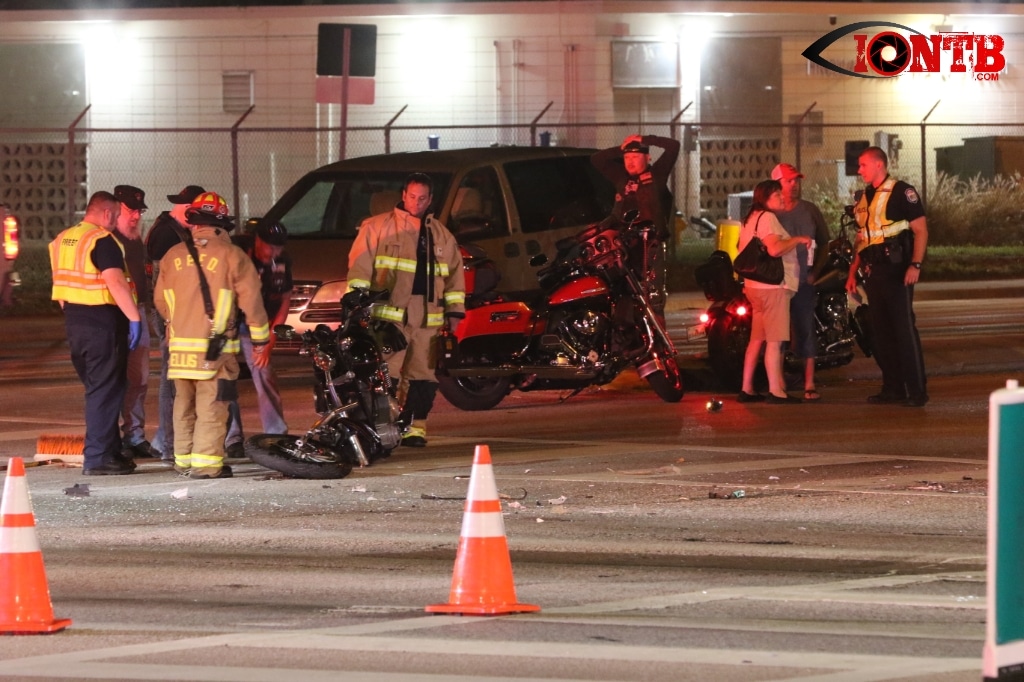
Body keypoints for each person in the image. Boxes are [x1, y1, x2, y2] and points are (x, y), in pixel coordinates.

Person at [154, 191, 270, 479]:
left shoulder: (173, 255)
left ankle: (183, 460)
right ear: (223, 224)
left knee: (183, 403)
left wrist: (177, 325)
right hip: (215, 352)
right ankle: (206, 465)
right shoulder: (232, 256)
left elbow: (160, 300)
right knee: (214, 406)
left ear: (194, 223)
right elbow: (252, 303)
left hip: (179, 349)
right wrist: (260, 341)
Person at [346, 172, 465, 447]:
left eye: (422, 198)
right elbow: (359, 268)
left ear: (430, 199)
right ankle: (382, 426)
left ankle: (415, 428)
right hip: (390, 317)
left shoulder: (442, 235)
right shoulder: (377, 227)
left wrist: (455, 312)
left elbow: (454, 277)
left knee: (423, 375)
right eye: (412, 196)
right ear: (403, 195)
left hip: (428, 319)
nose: (417, 202)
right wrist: (357, 305)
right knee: (388, 373)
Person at [49, 191, 143, 475]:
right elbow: (114, 280)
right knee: (104, 390)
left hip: (75, 321)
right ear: (105, 213)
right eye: (115, 216)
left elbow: (61, 284)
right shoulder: (102, 239)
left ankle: (110, 451)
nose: (115, 222)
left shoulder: (63, 239)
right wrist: (134, 318)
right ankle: (98, 458)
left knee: (100, 389)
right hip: (103, 321)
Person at [845, 146, 929, 407]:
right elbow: (863, 238)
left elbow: (921, 230)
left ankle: (916, 391)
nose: (859, 170)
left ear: (878, 165)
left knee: (903, 330)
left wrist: (915, 264)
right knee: (881, 333)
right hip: (874, 272)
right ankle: (893, 388)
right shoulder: (864, 197)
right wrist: (852, 274)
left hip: (898, 271)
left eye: (863, 165)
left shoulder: (902, 191)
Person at [736, 179, 813, 405]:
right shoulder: (768, 217)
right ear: (765, 198)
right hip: (773, 288)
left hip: (753, 287)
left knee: (757, 339)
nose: (782, 197)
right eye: (777, 195)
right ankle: (776, 391)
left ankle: (747, 388)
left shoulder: (749, 219)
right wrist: (798, 239)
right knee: (775, 340)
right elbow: (774, 249)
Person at [144, 185, 206, 462]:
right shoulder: (167, 234)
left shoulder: (169, 229)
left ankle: (170, 441)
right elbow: (162, 284)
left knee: (177, 377)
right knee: (173, 378)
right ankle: (168, 443)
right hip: (170, 315)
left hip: (173, 313)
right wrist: (171, 321)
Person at [591, 133, 680, 315]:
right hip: (623, 245)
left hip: (650, 244)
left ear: (648, 158)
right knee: (623, 292)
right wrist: (621, 148)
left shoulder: (657, 175)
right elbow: (597, 159)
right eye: (626, 157)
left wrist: (646, 140)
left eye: (635, 157)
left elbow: (673, 146)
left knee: (652, 294)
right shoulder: (621, 178)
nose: (630, 162)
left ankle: (658, 335)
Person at [224, 221, 292, 458]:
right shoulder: (237, 255)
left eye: (278, 249)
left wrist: (270, 340)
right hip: (231, 323)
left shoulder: (282, 262)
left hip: (260, 326)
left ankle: (276, 433)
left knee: (264, 374)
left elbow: (285, 299)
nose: (274, 253)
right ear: (257, 241)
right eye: (269, 248)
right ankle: (231, 437)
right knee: (227, 378)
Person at [770, 163, 830, 402]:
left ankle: (809, 382)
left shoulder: (809, 210)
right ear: (777, 184)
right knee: (779, 332)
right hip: (779, 281)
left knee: (805, 328)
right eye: (789, 181)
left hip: (804, 279)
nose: (794, 185)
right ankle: (779, 383)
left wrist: (815, 271)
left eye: (796, 180)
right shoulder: (769, 213)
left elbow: (824, 242)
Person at [111, 185, 157, 461]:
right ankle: (112, 437)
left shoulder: (135, 239)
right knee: (113, 380)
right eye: (132, 210)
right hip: (114, 314)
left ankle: (135, 435)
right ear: (116, 209)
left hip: (137, 312)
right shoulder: (105, 238)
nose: (137, 216)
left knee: (138, 380)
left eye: (139, 210)